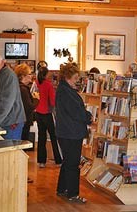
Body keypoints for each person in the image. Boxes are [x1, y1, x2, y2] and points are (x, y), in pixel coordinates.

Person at [55, 63, 92, 203]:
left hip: (67, 131)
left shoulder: (64, 89)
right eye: (75, 77)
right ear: (68, 77)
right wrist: (88, 116)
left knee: (67, 162)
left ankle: (62, 189)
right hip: (70, 133)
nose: (77, 80)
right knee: (72, 164)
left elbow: (74, 110)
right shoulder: (66, 92)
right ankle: (73, 194)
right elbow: (76, 112)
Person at [0, 53, 26, 140]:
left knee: (10, 151)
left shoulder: (8, 76)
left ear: (2, 62)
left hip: (11, 122)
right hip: (1, 121)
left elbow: (7, 103)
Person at [35, 66, 62, 168]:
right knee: (53, 137)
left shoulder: (36, 83)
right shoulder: (49, 85)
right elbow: (52, 101)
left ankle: (41, 161)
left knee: (41, 137)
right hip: (47, 113)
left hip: (38, 113)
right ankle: (58, 160)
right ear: (46, 74)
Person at [13, 63, 39, 143]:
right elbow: (29, 107)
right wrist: (36, 99)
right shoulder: (23, 89)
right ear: (23, 76)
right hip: (23, 121)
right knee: (22, 142)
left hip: (19, 120)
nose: (31, 76)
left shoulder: (17, 86)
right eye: (29, 74)